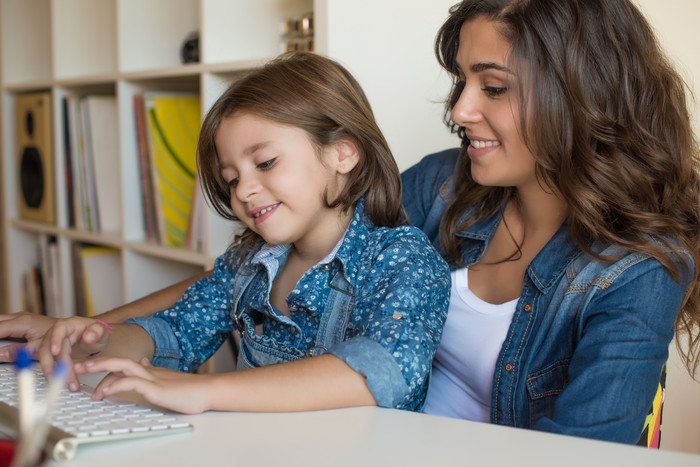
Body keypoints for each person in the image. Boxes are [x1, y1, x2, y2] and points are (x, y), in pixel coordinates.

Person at [1, 0, 699, 445]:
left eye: (492, 86)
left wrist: (201, 387)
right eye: (461, 82)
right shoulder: (443, 187)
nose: (458, 109)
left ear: (579, 94)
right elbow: (264, 263)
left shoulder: (641, 267)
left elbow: (585, 454)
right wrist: (83, 329)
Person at [0, 51, 450, 415]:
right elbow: (173, 331)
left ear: (343, 153)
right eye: (232, 178)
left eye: (266, 162)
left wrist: (208, 391)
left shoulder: (402, 258)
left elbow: (380, 373)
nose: (245, 190)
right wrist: (98, 339)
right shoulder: (251, 260)